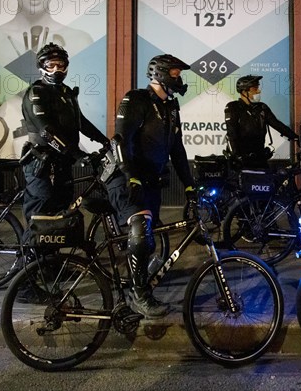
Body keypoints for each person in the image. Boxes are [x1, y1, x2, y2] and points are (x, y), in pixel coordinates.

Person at [105, 54, 196, 318]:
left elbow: (177, 150)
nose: (180, 79)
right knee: (141, 228)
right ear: (161, 74)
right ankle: (139, 295)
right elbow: (119, 140)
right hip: (125, 177)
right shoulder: (136, 99)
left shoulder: (171, 107)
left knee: (150, 237)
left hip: (150, 179)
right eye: (176, 74)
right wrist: (129, 175)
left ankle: (139, 275)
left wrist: (189, 186)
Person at [20, 43, 108, 225]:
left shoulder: (66, 92)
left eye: (60, 65)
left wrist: (105, 141)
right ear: (41, 67)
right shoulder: (37, 93)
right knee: (41, 209)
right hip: (41, 163)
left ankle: (54, 253)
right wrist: (77, 155)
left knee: (62, 207)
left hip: (63, 161)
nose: (56, 69)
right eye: (50, 65)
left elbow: (81, 122)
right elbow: (46, 131)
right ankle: (29, 252)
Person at [225, 75, 298, 168]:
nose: (259, 91)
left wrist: (295, 137)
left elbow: (277, 124)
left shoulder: (262, 107)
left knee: (266, 180)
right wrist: (236, 156)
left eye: (258, 88)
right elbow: (231, 134)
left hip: (259, 156)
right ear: (244, 91)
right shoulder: (233, 107)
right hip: (241, 159)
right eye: (255, 89)